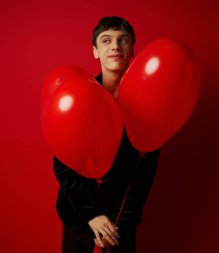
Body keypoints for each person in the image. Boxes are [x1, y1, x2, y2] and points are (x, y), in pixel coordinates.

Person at [53, 16, 161, 253]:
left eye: (123, 40)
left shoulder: (148, 102)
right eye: (106, 40)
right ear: (95, 51)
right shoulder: (80, 98)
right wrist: (93, 216)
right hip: (79, 213)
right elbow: (63, 163)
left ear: (133, 50)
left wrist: (118, 222)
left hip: (123, 216)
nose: (115, 46)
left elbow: (145, 169)